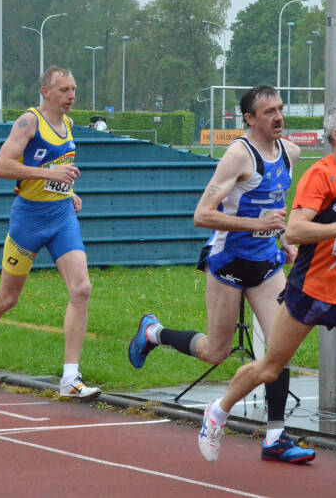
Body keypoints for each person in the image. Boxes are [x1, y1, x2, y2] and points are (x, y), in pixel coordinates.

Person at [196, 99, 336, 487]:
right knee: (269, 367)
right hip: (310, 291)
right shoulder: (320, 175)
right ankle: (218, 411)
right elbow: (296, 231)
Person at [128, 85, 315, 464]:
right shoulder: (236, 156)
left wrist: (284, 238)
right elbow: (202, 215)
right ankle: (153, 332)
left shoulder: (291, 153)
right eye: (269, 113)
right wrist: (254, 223)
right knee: (216, 351)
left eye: (280, 109)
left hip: (265, 263)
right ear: (249, 119)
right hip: (228, 261)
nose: (279, 117)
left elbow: (273, 207)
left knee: (280, 346)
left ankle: (276, 436)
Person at [0, 66, 99, 399]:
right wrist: (47, 172)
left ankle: (70, 377)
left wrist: (68, 191)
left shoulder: (66, 124)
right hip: (28, 220)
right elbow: (0, 167)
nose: (71, 96)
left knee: (81, 289)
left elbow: (57, 174)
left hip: (62, 217)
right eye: (65, 90)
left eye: (74, 89)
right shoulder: (28, 122)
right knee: (8, 297)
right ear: (45, 91)